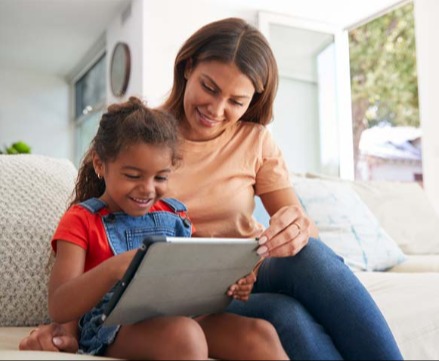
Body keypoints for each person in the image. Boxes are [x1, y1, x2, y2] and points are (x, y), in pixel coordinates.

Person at [20, 18, 403, 360]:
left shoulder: (255, 140)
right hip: (190, 287)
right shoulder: (143, 137)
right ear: (188, 68)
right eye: (209, 87)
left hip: (251, 271)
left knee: (313, 255)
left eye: (236, 101)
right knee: (288, 317)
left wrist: (295, 228)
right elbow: (96, 229)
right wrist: (67, 327)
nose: (217, 109)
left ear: (253, 100)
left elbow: (302, 234)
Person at [40, 96, 288, 360]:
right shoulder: (81, 219)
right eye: (133, 176)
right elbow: (59, 305)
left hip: (182, 316)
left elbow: (192, 279)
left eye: (160, 177)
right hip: (112, 327)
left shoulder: (174, 215)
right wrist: (116, 268)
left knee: (260, 333)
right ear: (101, 165)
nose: (148, 188)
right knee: (185, 336)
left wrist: (233, 283)